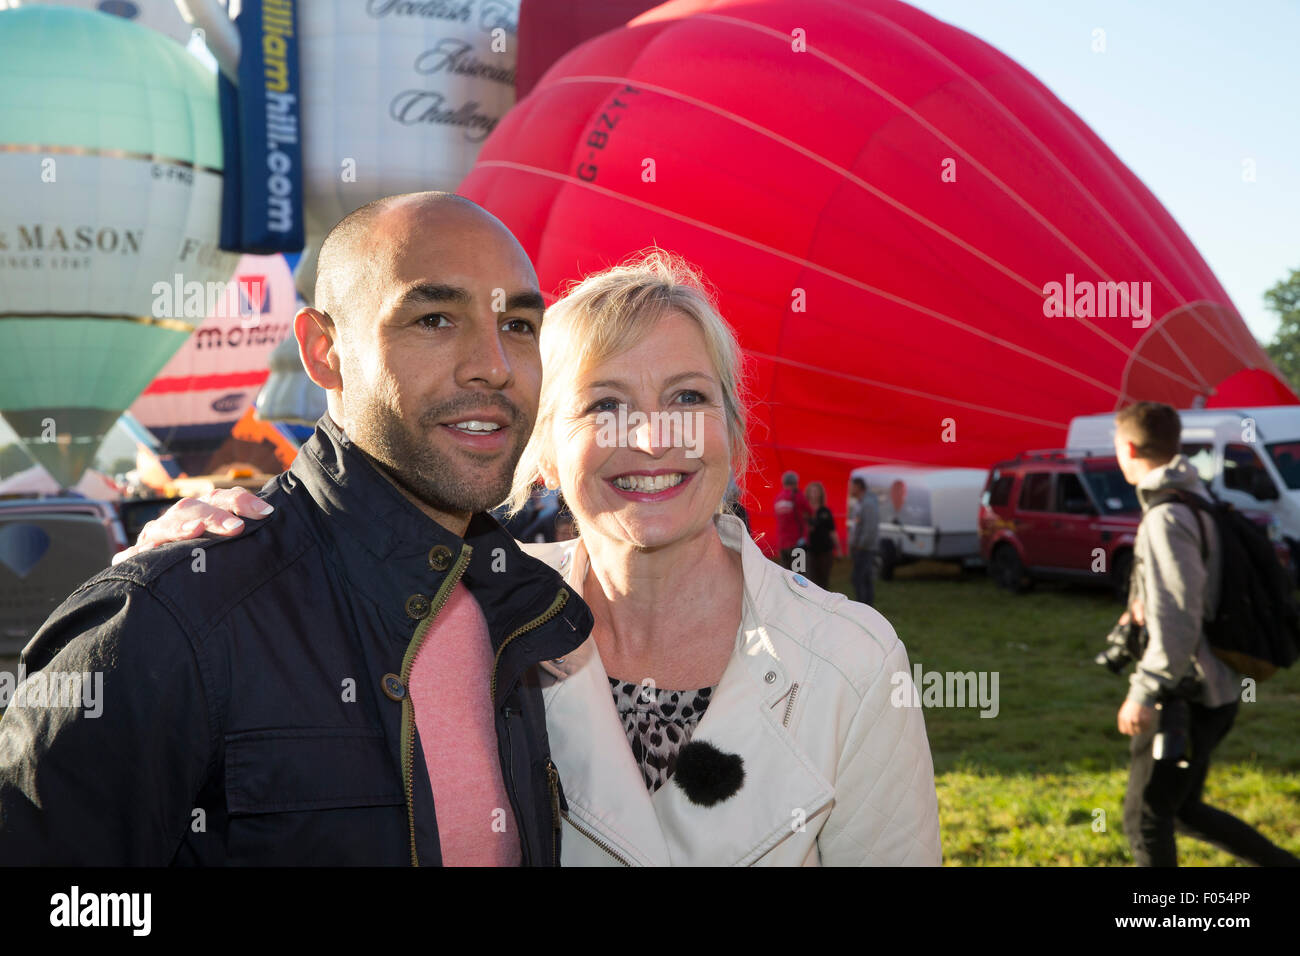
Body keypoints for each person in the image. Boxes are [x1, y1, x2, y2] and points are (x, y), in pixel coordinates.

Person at [128, 250, 943, 865]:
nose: (652, 438)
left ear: (733, 433)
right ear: (543, 450)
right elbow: (301, 618)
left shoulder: (852, 661)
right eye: (604, 404)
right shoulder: (470, 613)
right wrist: (203, 552)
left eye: (689, 399)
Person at [0, 193, 593, 865]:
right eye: (434, 318)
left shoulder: (524, 608)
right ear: (323, 352)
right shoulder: (168, 615)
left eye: (518, 324)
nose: (495, 365)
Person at [1114, 401, 1299, 867]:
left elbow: (1179, 616)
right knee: (1183, 809)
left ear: (1129, 448)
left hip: (1184, 695)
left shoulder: (1166, 517)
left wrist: (1144, 689)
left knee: (1147, 817)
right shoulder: (1200, 498)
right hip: (1218, 687)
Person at [848, 477, 880, 607]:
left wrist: (861, 545)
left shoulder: (868, 504)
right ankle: (866, 604)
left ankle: (864, 605)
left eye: (852, 486)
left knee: (859, 578)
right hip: (860, 547)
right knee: (863, 577)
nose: (850, 489)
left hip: (865, 548)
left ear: (858, 487)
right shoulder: (860, 503)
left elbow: (870, 528)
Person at [803, 481, 838, 590]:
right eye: (812, 491)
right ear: (807, 493)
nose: (814, 493)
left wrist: (839, 548)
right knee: (809, 579)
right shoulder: (803, 510)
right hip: (808, 549)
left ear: (821, 494)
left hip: (825, 549)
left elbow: (832, 531)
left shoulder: (825, 511)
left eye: (816, 491)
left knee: (823, 581)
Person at [773, 470, 811, 571]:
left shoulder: (778, 498)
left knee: (787, 576)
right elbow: (810, 511)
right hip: (797, 543)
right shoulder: (797, 495)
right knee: (800, 576)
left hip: (782, 544)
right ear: (795, 483)